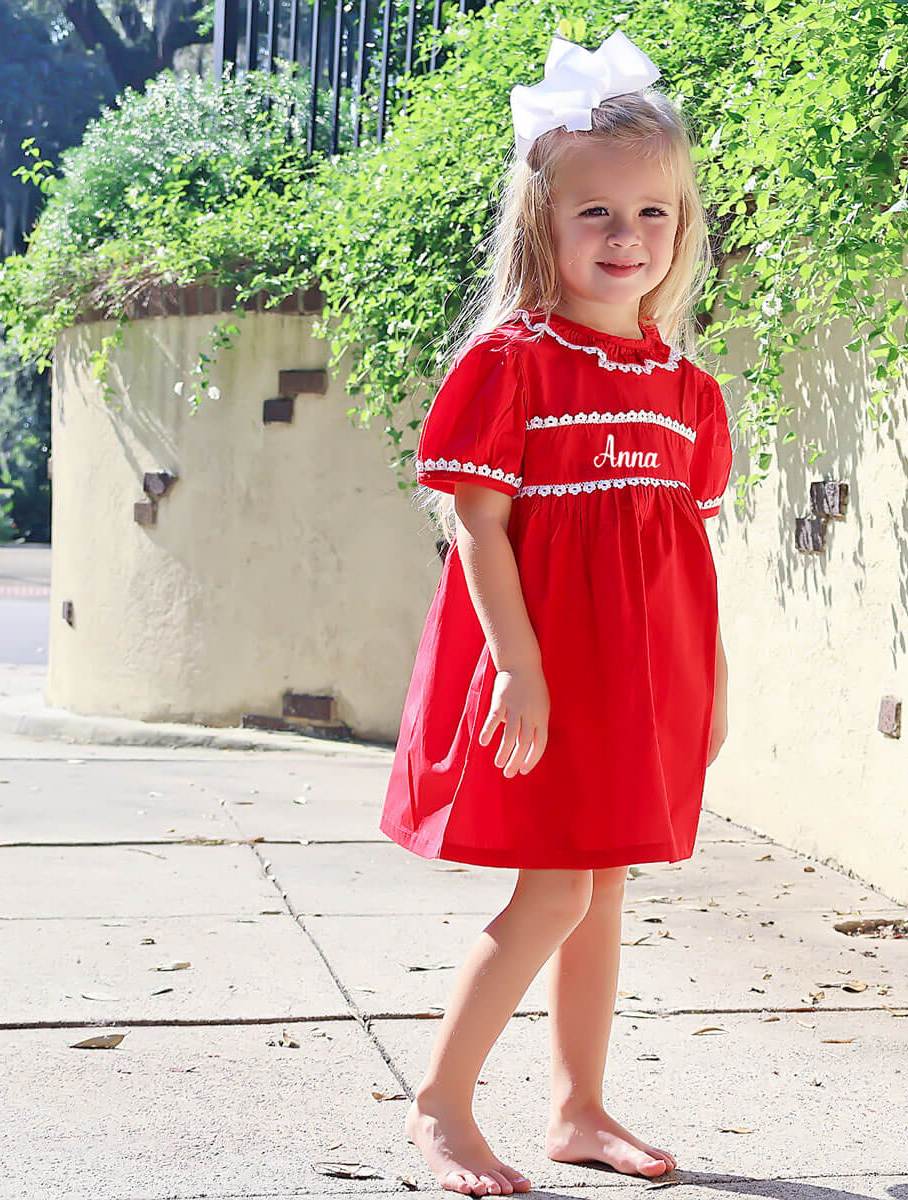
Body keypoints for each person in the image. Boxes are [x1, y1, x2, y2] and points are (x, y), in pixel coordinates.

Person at [379, 28, 734, 1198]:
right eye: (596, 215)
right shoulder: (514, 362)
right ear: (543, 222)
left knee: (608, 878)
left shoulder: (687, 390)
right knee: (558, 883)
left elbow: (685, 549)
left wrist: (712, 689)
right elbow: (478, 528)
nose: (626, 238)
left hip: (645, 671)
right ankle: (440, 1103)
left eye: (652, 215)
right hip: (538, 661)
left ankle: (580, 1110)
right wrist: (519, 669)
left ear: (681, 230)